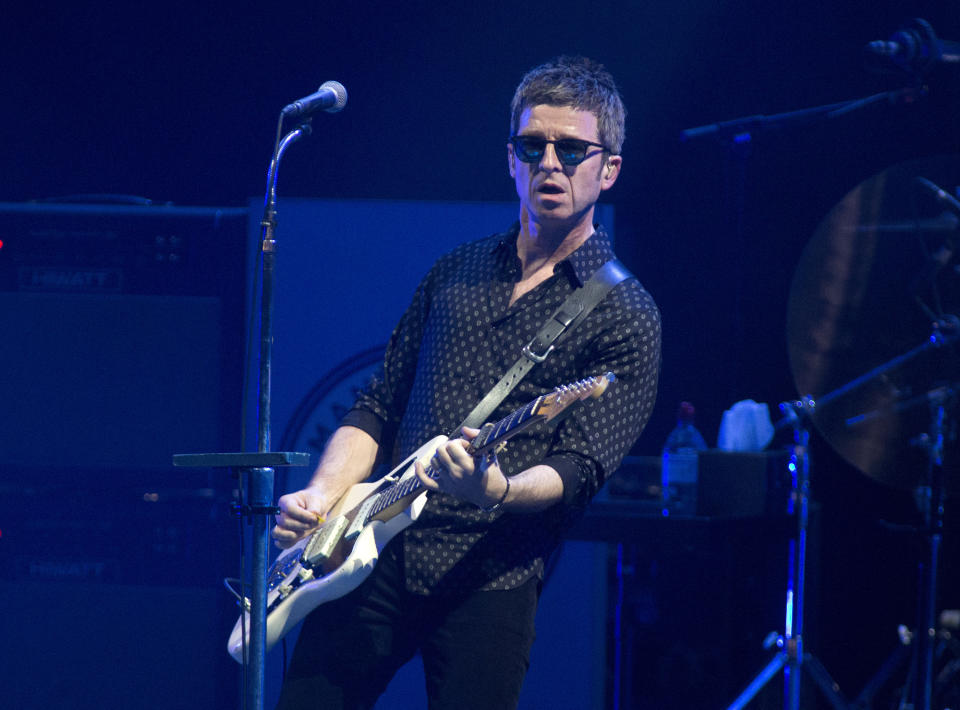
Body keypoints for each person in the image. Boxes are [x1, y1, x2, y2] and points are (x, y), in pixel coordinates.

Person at [271, 55, 661, 709]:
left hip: (490, 575)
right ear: (511, 158)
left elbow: (579, 467)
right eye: (532, 146)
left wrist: (496, 487)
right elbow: (379, 404)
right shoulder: (456, 271)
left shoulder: (627, 313)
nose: (550, 164)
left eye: (572, 150)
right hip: (373, 551)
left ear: (609, 168)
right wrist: (321, 499)